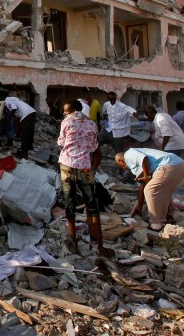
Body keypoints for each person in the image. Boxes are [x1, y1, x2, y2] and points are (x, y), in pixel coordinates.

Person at [56, 100, 110, 256]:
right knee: (92, 205)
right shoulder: (91, 124)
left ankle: (74, 243)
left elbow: (61, 142)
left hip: (67, 165)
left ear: (73, 110)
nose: (64, 113)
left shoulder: (67, 122)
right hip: (85, 166)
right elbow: (94, 148)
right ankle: (100, 246)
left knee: (69, 203)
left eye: (66, 110)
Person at [115, 148, 184, 231]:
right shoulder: (139, 165)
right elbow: (142, 186)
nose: (123, 168)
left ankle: (156, 224)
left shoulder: (128, 154)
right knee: (163, 191)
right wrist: (139, 207)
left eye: (120, 166)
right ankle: (169, 217)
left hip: (168, 165)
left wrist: (146, 175)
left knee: (150, 191)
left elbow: (144, 159)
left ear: (120, 160)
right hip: (180, 165)